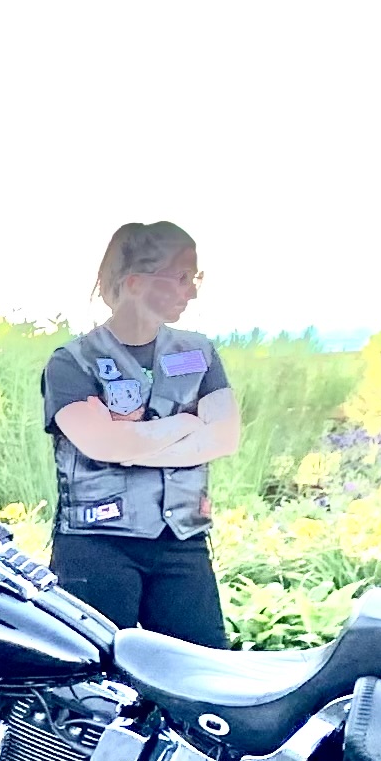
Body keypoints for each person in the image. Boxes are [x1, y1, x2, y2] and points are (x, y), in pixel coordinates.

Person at [42, 221, 236, 643]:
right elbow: (101, 443)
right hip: (96, 545)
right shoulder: (73, 362)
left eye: (196, 277)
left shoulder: (198, 352)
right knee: (97, 669)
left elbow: (224, 436)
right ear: (135, 283)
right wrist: (185, 424)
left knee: (202, 669)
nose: (192, 291)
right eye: (182, 278)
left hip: (182, 541)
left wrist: (129, 446)